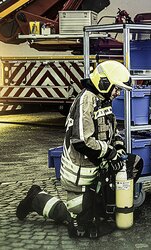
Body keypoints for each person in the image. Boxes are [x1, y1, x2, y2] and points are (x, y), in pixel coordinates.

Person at [16, 60, 132, 228]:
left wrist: (119, 147)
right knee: (78, 220)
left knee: (99, 213)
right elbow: (82, 142)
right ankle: (35, 198)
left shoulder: (103, 99)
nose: (118, 93)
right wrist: (111, 153)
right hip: (79, 175)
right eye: (116, 88)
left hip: (94, 170)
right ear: (104, 83)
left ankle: (95, 204)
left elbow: (112, 131)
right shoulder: (86, 101)